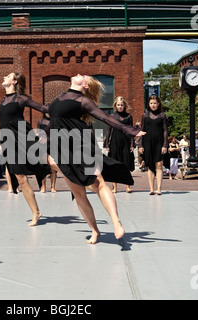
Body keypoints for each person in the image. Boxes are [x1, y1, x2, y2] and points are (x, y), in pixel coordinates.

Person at [47, 74, 145, 244]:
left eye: (83, 76)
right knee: (78, 193)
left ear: (85, 85)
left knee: (98, 182)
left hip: (79, 144)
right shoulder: (60, 97)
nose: (79, 74)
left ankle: (116, 221)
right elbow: (54, 119)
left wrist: (129, 130)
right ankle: (95, 230)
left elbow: (105, 118)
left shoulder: (83, 101)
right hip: (60, 146)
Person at [0, 72, 51, 226]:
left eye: (7, 76)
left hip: (23, 138)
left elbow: (43, 108)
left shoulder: (21, 99)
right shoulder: (3, 100)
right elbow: (3, 122)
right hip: (9, 141)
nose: (4, 77)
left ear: (14, 82)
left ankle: (75, 176)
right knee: (21, 178)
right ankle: (36, 212)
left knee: (49, 163)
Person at [138, 95, 168, 195]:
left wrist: (165, 145)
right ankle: (151, 188)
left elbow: (165, 131)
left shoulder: (162, 115)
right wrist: (140, 145)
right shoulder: (145, 115)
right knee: (150, 166)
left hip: (159, 143)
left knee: (159, 165)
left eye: (155, 103)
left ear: (158, 104)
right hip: (147, 143)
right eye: (151, 103)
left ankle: (159, 189)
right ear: (149, 104)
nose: (153, 105)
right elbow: (142, 130)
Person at [104, 96, 135, 193]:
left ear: (124, 105)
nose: (120, 106)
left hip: (125, 142)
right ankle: (114, 187)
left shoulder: (129, 117)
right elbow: (109, 130)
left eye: (121, 105)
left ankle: (127, 186)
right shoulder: (112, 116)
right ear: (115, 106)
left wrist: (132, 143)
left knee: (126, 163)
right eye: (118, 105)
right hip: (114, 142)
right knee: (114, 164)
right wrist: (107, 144)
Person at [37, 113, 57, 193]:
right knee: (43, 167)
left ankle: (53, 187)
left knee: (53, 167)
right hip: (42, 145)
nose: (48, 113)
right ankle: (43, 187)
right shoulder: (41, 121)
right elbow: (38, 132)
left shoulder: (55, 121)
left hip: (52, 145)